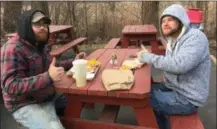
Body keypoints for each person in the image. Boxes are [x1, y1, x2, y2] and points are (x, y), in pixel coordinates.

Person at [1, 9, 85, 129]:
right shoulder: (12, 49)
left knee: (75, 100)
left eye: (45, 24)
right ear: (26, 26)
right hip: (24, 104)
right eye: (37, 24)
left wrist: (74, 61)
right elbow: (10, 85)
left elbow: (52, 65)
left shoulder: (40, 45)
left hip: (46, 96)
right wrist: (48, 77)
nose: (43, 28)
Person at [136, 4, 211, 129]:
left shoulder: (196, 38)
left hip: (187, 98)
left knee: (142, 100)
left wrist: (148, 58)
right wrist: (149, 57)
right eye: (163, 21)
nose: (165, 23)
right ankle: (161, 121)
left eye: (170, 19)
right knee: (144, 90)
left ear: (181, 20)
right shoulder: (173, 40)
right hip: (173, 86)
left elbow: (180, 65)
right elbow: (170, 62)